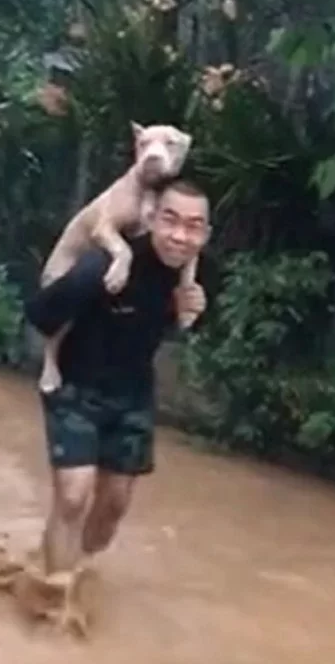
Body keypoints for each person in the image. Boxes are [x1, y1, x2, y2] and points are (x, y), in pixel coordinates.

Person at [23, 178, 210, 606]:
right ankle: (54, 596)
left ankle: (68, 566)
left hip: (133, 394)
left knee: (113, 507)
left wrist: (189, 312)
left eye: (194, 226)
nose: (181, 235)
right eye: (171, 220)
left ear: (205, 234)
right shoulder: (102, 265)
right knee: (73, 496)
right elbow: (40, 314)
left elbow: (181, 323)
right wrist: (52, 365)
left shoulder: (192, 274)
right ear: (150, 218)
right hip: (75, 383)